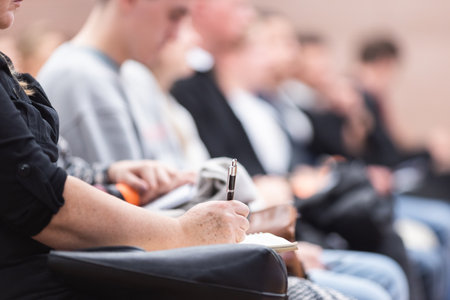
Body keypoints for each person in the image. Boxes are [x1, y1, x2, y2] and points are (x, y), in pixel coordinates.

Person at [0, 1, 251, 298]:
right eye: (175, 15)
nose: (182, 34)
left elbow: (45, 170)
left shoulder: (130, 76)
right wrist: (183, 233)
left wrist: (108, 174)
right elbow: (40, 197)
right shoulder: (81, 75)